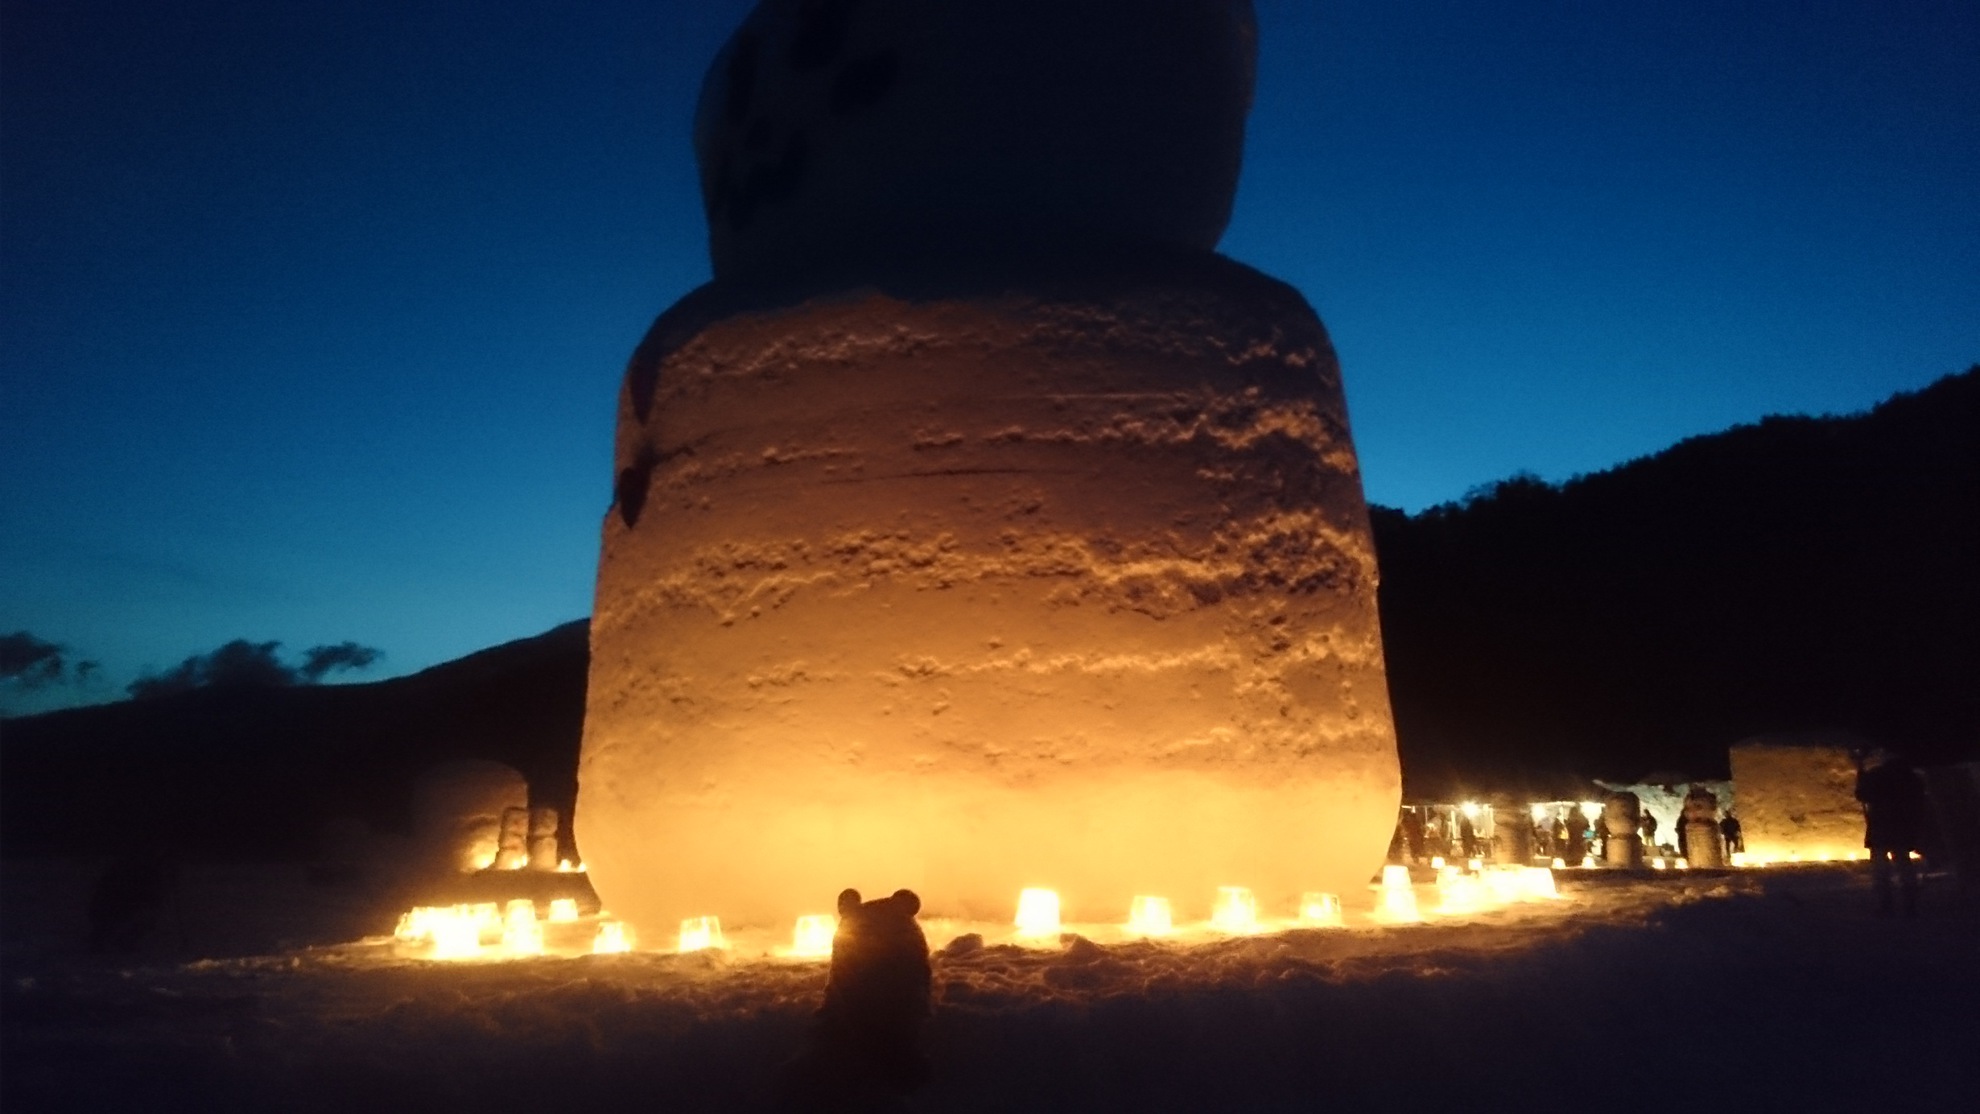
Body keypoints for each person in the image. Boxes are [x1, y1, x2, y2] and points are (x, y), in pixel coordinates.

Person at [1856, 752, 1928, 916]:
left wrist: (1862, 774)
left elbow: (1862, 795)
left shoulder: (1877, 775)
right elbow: (1919, 800)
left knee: (1881, 867)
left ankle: (1886, 904)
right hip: (1902, 826)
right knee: (1903, 863)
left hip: (1881, 825)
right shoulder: (1911, 777)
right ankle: (1910, 904)